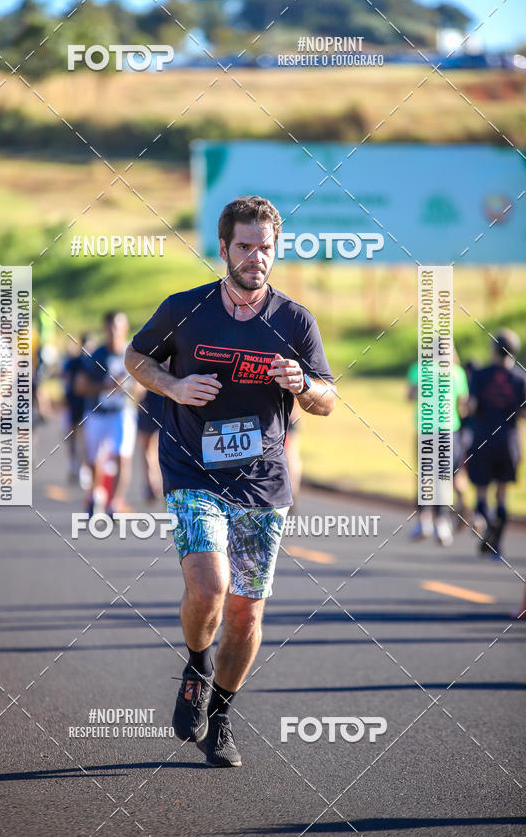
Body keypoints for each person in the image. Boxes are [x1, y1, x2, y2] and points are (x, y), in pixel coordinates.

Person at [125, 195, 336, 767]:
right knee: (210, 585)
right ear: (223, 248)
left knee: (246, 612)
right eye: (245, 246)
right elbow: (136, 358)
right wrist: (173, 387)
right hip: (192, 469)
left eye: (265, 247)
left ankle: (220, 715)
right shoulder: (185, 309)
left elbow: (328, 399)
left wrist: (303, 385)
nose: (256, 257)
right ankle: (197, 665)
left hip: (262, 482)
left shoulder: (295, 321)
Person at [467, 329, 526, 558]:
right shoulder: (521, 378)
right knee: (501, 494)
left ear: (493, 350)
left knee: (481, 492)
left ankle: (488, 525)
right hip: (508, 442)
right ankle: (496, 546)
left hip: (483, 438)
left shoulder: (480, 375)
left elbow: (471, 406)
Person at [75, 312, 139, 514]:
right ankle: (95, 495)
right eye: (111, 327)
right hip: (97, 413)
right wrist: (106, 387)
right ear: (105, 329)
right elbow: (80, 386)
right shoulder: (96, 356)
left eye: (118, 327)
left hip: (122, 412)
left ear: (125, 328)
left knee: (123, 456)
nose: (114, 332)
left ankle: (115, 502)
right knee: (94, 460)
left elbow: (143, 387)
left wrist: (129, 386)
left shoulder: (133, 354)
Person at [406, 349, 469, 546]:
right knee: (443, 477)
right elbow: (463, 405)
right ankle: (441, 522)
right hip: (447, 430)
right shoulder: (457, 372)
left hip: (425, 428)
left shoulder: (419, 369)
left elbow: (410, 395)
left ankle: (423, 520)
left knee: (424, 475)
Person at [61, 332, 94, 483]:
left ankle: (82, 468)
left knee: (85, 439)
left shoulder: (93, 362)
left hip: (87, 406)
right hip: (74, 404)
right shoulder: (74, 362)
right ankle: (74, 465)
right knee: (73, 437)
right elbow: (66, 382)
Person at [136, 388, 163, 500]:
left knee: (158, 443)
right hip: (149, 397)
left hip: (164, 396)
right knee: (147, 444)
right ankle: (151, 482)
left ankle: (156, 481)